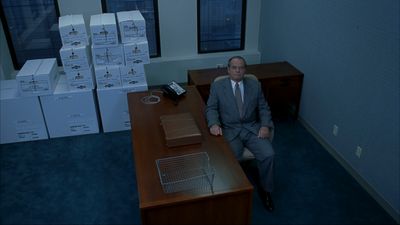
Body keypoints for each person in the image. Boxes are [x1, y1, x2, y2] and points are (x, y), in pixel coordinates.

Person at [205, 56, 275, 212]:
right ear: (228, 69)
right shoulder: (218, 86)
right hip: (231, 130)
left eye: (241, 67)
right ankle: (232, 191)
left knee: (268, 154)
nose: (238, 70)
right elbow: (211, 108)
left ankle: (266, 191)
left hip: (252, 129)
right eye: (234, 67)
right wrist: (214, 123)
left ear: (245, 70)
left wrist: (265, 125)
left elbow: (264, 108)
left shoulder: (254, 85)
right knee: (231, 159)